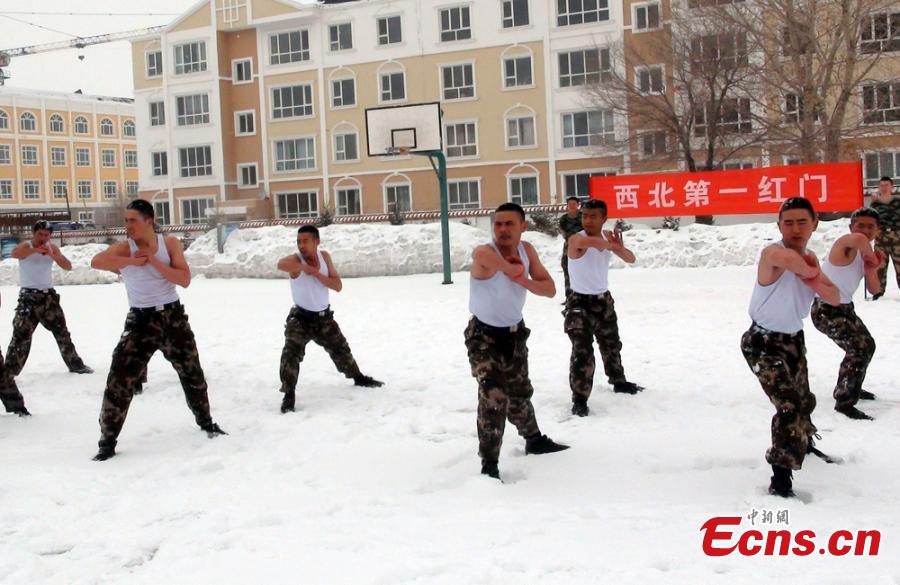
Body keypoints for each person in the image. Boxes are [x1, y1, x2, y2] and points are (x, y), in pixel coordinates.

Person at [89, 199, 225, 461]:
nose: (127, 225)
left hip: (172, 317)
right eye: (125, 220)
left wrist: (152, 261)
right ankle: (107, 441)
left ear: (149, 221)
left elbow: (184, 279)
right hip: (140, 320)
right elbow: (97, 261)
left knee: (192, 373)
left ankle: (206, 422)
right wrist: (130, 260)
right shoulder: (123, 248)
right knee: (120, 378)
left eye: (133, 220)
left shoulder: (169, 244)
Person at [740, 197, 841, 498]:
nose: (795, 229)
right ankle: (781, 477)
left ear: (814, 223)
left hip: (793, 340)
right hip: (763, 343)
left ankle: (804, 441)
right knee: (787, 405)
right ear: (779, 225)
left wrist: (814, 277)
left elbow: (834, 296)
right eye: (788, 223)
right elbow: (792, 263)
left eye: (801, 222)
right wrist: (813, 275)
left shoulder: (811, 257)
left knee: (803, 399)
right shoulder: (772, 252)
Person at [466, 202, 570, 481]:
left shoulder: (527, 251)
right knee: (494, 395)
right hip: (483, 336)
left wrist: (521, 277)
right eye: (497, 224)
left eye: (509, 224)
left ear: (523, 226)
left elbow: (549, 289)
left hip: (514, 334)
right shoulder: (488, 252)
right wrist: (506, 268)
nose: (502, 230)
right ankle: (489, 464)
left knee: (519, 392)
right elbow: (480, 255)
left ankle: (533, 439)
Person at [276, 225, 383, 413]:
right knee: (291, 353)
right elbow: (281, 264)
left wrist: (317, 274)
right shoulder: (296, 260)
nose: (302, 245)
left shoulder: (325, 257)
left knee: (341, 349)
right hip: (300, 319)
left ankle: (357, 377)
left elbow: (338, 285)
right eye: (299, 241)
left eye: (306, 241)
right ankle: (289, 394)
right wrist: (303, 267)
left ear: (317, 241)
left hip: (324, 318)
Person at [564, 199, 643, 418]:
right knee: (582, 353)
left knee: (611, 344)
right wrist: (611, 245)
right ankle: (579, 399)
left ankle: (619, 381)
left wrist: (619, 248)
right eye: (585, 216)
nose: (587, 220)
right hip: (580, 303)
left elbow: (631, 259)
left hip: (603, 300)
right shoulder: (576, 239)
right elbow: (593, 244)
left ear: (603, 218)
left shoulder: (607, 240)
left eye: (593, 216)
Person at [811, 207, 883, 420]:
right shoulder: (845, 244)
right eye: (860, 225)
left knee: (866, 345)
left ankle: (851, 384)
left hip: (844, 309)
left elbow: (875, 289)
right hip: (826, 309)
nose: (865, 230)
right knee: (859, 348)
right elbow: (860, 239)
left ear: (878, 230)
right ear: (851, 228)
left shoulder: (864, 255)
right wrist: (871, 257)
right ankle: (844, 402)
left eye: (871, 227)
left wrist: (871, 268)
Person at [5, 220, 93, 377]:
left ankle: (75, 364)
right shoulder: (27, 246)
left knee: (62, 332)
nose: (43, 238)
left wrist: (52, 254)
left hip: (48, 297)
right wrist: (35, 251)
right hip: (29, 296)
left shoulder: (52, 248)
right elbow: (15, 253)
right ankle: (8, 372)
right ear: (34, 233)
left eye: (46, 235)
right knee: (21, 335)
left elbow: (68, 266)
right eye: (40, 234)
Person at [870, 176, 899, 300]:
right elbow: (870, 221)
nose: (884, 188)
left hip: (897, 238)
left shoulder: (898, 202)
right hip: (881, 238)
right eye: (881, 185)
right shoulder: (875, 204)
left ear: (892, 187)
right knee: (879, 267)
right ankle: (878, 292)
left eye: (886, 185)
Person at [558, 197, 583, 298]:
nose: (572, 206)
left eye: (574, 203)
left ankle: (582, 295)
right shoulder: (564, 218)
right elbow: (562, 231)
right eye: (570, 204)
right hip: (568, 247)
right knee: (567, 269)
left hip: (583, 247)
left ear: (578, 204)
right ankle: (569, 297)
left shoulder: (583, 217)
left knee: (582, 271)